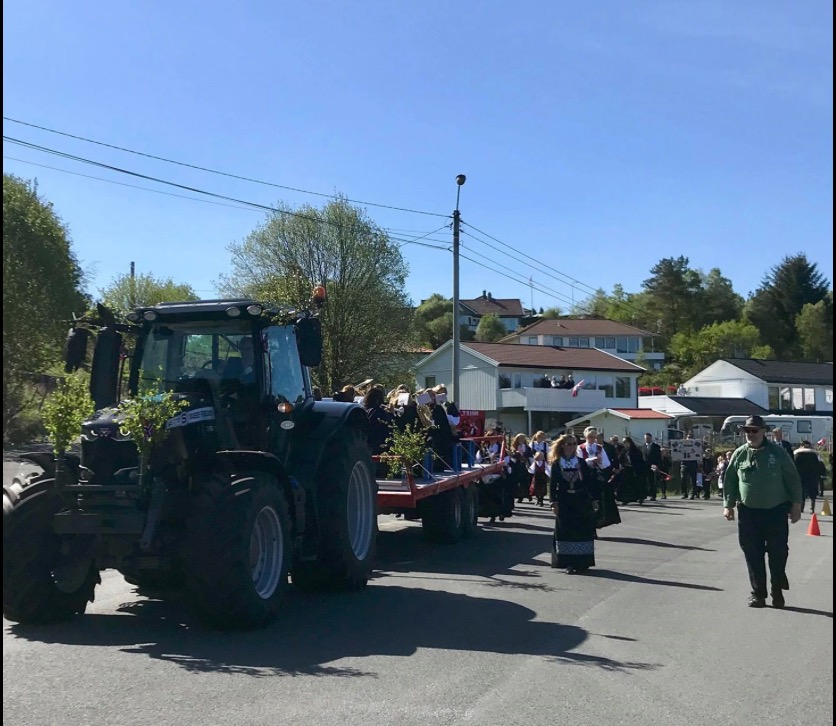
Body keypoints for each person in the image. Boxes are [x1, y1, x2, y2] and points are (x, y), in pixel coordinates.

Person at [722, 415, 802, 609]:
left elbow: (792, 478)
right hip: (748, 512)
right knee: (752, 553)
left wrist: (796, 505)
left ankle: (777, 588)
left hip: (775, 510)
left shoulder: (778, 453)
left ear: (763, 431)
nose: (750, 434)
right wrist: (728, 505)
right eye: (747, 431)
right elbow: (730, 480)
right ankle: (758, 593)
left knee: (778, 551)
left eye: (754, 430)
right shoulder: (740, 454)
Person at [548, 434, 599, 573]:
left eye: (574, 444)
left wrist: (593, 499)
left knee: (582, 529)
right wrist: (553, 502)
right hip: (565, 501)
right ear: (562, 445)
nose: (571, 447)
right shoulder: (557, 463)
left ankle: (582, 562)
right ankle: (569, 563)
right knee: (566, 530)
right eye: (568, 444)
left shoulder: (581, 462)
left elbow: (588, 482)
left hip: (581, 500)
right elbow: (552, 485)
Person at [793, 441, 825, 514]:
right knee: (812, 493)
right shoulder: (813, 454)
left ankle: (802, 508)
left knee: (802, 493)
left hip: (801, 476)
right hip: (812, 476)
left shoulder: (797, 454)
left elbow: (794, 466)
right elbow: (818, 465)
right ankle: (812, 508)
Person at [616, 437, 646, 504]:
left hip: (635, 470)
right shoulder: (623, 450)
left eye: (625, 442)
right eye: (623, 442)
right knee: (625, 485)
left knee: (637, 484)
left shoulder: (636, 450)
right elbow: (619, 459)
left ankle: (640, 498)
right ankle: (625, 499)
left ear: (629, 442)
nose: (624, 444)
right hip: (626, 470)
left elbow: (640, 460)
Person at [642, 433, 663, 501]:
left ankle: (653, 495)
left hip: (653, 466)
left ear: (651, 438)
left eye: (648, 438)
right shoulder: (643, 447)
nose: (646, 439)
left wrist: (657, 466)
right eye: (645, 438)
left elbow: (659, 457)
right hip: (645, 466)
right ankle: (645, 494)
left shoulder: (656, 446)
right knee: (646, 481)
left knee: (652, 481)